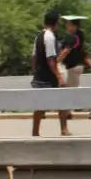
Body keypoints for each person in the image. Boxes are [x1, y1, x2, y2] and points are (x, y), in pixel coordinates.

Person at [31, 9, 68, 137]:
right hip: (48, 77)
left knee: (39, 105)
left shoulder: (38, 36)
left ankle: (35, 131)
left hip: (39, 75)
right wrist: (59, 76)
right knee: (61, 101)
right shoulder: (50, 37)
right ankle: (64, 129)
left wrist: (35, 72)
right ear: (56, 23)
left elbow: (34, 57)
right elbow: (51, 59)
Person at [57, 15, 91, 129]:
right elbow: (81, 50)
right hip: (76, 67)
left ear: (74, 26)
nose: (66, 26)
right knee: (69, 90)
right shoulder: (80, 35)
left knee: (72, 91)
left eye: (68, 24)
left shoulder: (72, 37)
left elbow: (66, 51)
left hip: (72, 67)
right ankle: (67, 112)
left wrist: (56, 61)